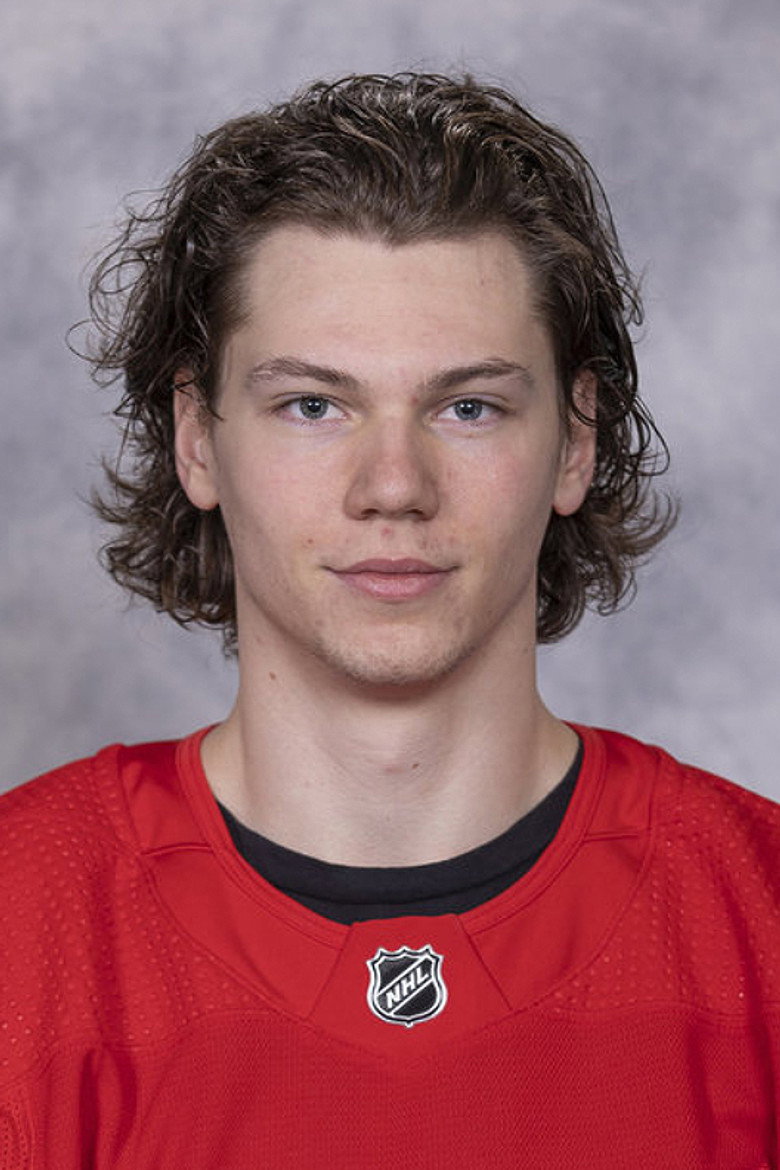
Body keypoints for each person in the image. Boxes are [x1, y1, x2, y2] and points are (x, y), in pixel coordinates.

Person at [1, 71, 778, 1168]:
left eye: (469, 407)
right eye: (313, 405)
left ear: (574, 441)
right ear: (197, 438)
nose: (395, 486)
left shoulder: (758, 920)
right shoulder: (22, 924)